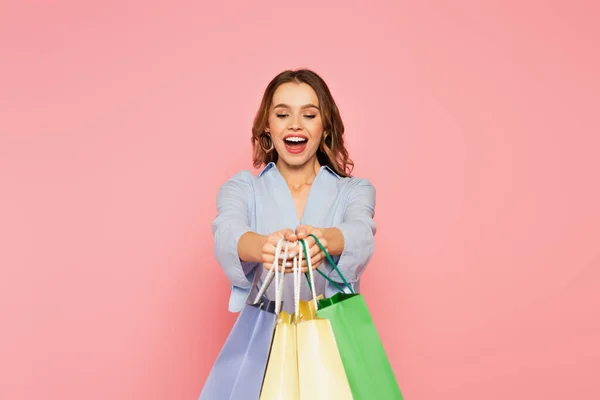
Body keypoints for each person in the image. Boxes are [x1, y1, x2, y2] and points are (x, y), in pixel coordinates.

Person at [211, 69, 376, 313]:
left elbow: (361, 232)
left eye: (309, 115)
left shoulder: (354, 190)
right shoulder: (243, 188)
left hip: (331, 344)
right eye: (282, 114)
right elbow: (227, 233)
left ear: (326, 128)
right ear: (267, 126)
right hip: (266, 345)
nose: (295, 125)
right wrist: (264, 247)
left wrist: (324, 241)